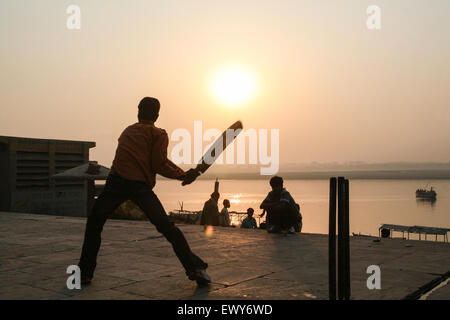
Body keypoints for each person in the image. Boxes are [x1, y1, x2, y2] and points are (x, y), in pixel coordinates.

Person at [77, 97, 210, 286]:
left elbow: (157, 161)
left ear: (138, 111)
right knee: (166, 227)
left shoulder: (128, 131)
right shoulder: (158, 134)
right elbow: (159, 163)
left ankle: (85, 272)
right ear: (157, 115)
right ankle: (194, 268)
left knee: (95, 223)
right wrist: (183, 175)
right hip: (139, 187)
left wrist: (182, 174)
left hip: (116, 183)